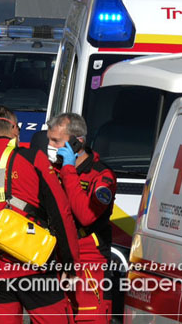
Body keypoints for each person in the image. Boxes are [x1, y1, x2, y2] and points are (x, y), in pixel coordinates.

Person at [0, 105, 80, 324]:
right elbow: (60, 212)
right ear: (15, 131)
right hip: (37, 269)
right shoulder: (33, 159)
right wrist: (69, 263)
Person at [47, 113, 117, 323]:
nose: (51, 146)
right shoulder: (54, 171)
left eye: (56, 141)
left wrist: (69, 172)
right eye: (49, 140)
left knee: (88, 315)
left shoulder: (102, 175)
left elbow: (86, 216)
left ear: (77, 142)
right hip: (56, 258)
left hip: (89, 260)